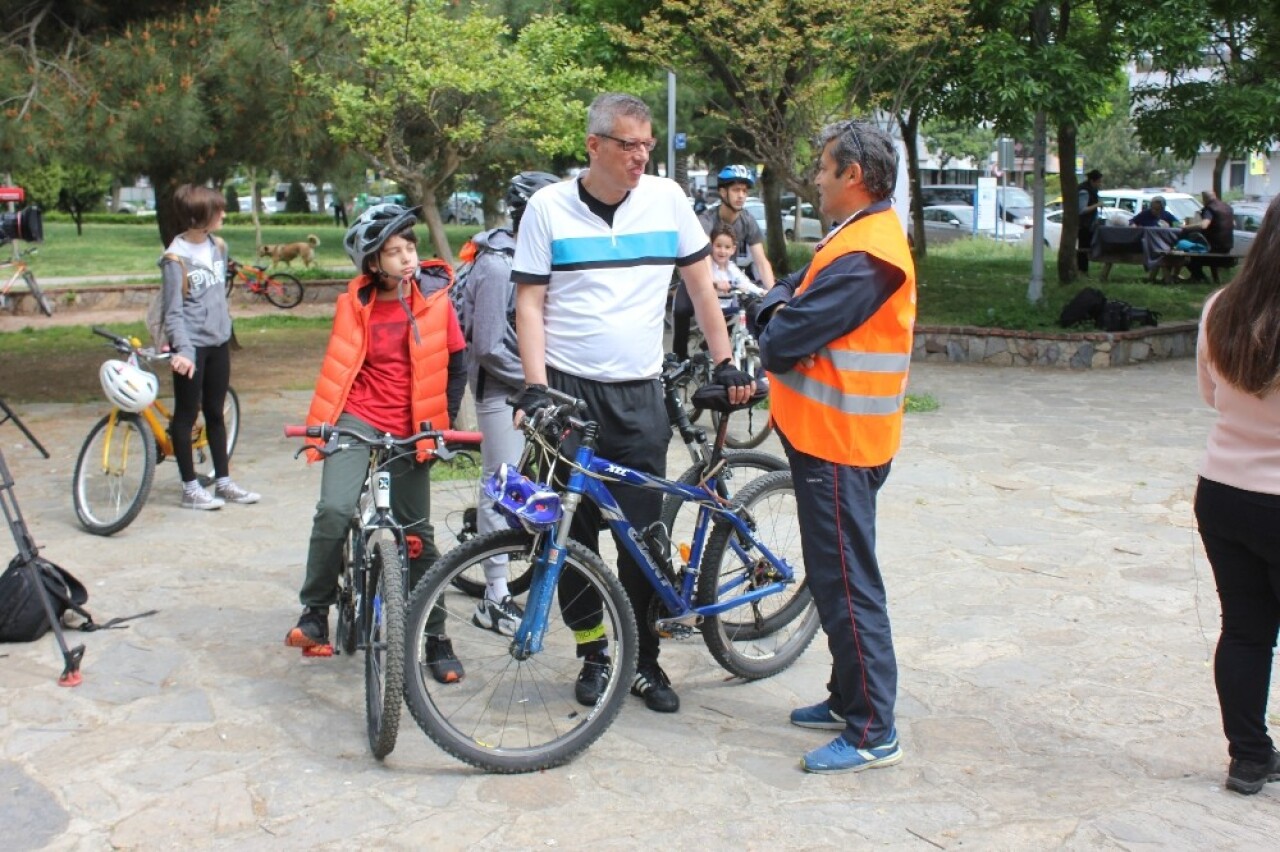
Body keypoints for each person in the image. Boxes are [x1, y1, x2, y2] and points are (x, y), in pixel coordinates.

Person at [510, 92, 752, 714]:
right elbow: (530, 304)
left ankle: (644, 659)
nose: (640, 155)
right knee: (569, 536)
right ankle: (594, 653)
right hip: (567, 391)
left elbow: (702, 289)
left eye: (647, 144)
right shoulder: (547, 209)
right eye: (628, 145)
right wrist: (534, 388)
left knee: (642, 536)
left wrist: (725, 361)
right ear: (594, 146)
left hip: (639, 394)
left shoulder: (667, 200)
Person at [756, 118, 916, 774]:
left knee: (849, 586)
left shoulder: (869, 252)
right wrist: (780, 306)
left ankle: (873, 729)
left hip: (841, 443)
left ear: (854, 175)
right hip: (829, 437)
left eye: (824, 168)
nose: (816, 179)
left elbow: (782, 335)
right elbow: (789, 293)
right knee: (835, 579)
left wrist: (773, 315)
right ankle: (847, 696)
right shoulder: (852, 239)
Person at [284, 204, 468, 683]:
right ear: (372, 263)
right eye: (394, 252)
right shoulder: (354, 304)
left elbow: (457, 364)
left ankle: (436, 637)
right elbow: (341, 367)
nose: (407, 259)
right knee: (334, 509)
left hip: (414, 425)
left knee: (418, 536)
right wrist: (324, 427)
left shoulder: (437, 301)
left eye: (410, 248)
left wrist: (439, 424)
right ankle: (314, 611)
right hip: (358, 419)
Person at [1194, 193, 1280, 795]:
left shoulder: (1220, 307)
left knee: (1245, 629)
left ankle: (1248, 758)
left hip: (1223, 491)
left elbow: (1211, 395)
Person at [462, 170, 560, 636]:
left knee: (536, 485)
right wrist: (537, 379)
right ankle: (495, 594)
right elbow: (487, 345)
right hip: (502, 390)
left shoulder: (538, 253)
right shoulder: (498, 265)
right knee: (500, 486)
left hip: (538, 390)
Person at [159, 184, 259, 511]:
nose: (223, 215)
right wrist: (183, 351)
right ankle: (190, 488)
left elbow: (218, 295)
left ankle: (224, 481)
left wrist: (225, 327)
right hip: (192, 347)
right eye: (218, 211)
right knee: (186, 417)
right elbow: (172, 312)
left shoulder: (219, 246)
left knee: (216, 413)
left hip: (218, 342)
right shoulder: (175, 259)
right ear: (199, 216)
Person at [670, 164, 778, 360]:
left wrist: (773, 294)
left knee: (756, 309)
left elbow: (761, 261)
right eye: (736, 190)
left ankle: (759, 363)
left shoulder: (748, 221)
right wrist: (711, 283)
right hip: (701, 276)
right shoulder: (706, 219)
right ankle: (679, 360)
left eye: (745, 191)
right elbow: (700, 257)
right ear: (722, 192)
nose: (741, 195)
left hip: (729, 278)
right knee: (683, 309)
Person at [1182, 190, 1235, 282]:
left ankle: (1200, 278)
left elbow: (1204, 225)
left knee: (1187, 253)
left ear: (1204, 199)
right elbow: (1234, 224)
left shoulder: (1209, 208)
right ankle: (1210, 278)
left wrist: (1185, 227)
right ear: (1215, 195)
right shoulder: (1227, 207)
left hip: (1212, 247)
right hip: (1227, 247)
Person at [1077, 169, 1104, 274]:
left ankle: (1083, 270)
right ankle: (1082, 270)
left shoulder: (1091, 191)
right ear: (1093, 181)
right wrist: (1097, 205)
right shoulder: (1084, 191)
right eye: (1099, 182)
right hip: (1084, 225)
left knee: (1086, 247)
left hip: (1088, 224)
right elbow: (1082, 210)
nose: (1100, 184)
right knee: (1083, 248)